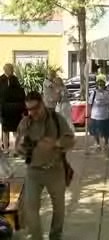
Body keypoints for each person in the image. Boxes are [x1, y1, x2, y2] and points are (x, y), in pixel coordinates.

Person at [15, 91, 75, 240]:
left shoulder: (56, 119)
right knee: (31, 209)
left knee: (59, 208)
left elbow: (71, 141)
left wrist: (56, 143)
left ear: (42, 103)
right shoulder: (25, 122)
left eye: (35, 108)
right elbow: (17, 148)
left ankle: (55, 236)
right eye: (29, 109)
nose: (32, 112)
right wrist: (21, 147)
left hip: (55, 170)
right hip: (33, 172)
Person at [0, 64, 25, 155]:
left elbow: (20, 93)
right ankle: (6, 148)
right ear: (5, 70)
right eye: (10, 69)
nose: (11, 71)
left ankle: (17, 149)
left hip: (15, 109)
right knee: (5, 130)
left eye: (12, 69)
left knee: (15, 130)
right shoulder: (1, 79)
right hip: (5, 109)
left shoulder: (15, 79)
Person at [89, 79, 109, 150]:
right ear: (97, 85)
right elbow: (90, 103)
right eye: (99, 85)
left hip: (105, 115)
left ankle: (106, 143)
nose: (101, 87)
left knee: (105, 131)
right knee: (95, 131)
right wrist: (89, 114)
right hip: (95, 115)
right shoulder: (94, 93)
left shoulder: (106, 93)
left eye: (102, 85)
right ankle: (98, 144)